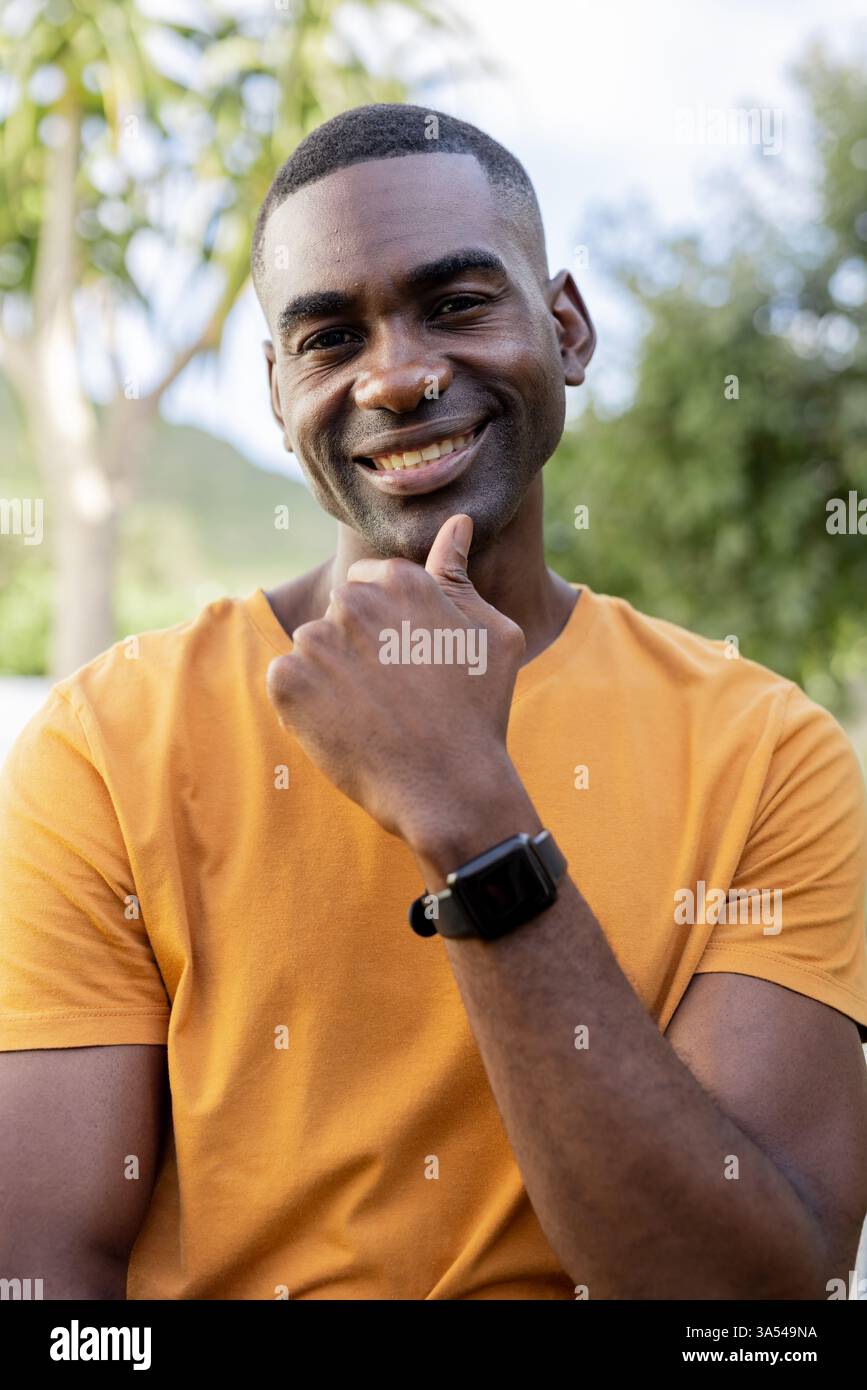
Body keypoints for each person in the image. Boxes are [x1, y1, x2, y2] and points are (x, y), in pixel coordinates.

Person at [1, 104, 866, 1302]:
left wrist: (473, 820)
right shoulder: (105, 746)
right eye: (328, 337)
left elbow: (752, 1300)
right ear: (277, 390)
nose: (399, 376)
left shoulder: (770, 753)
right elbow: (46, 1285)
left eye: (457, 304)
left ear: (565, 325)